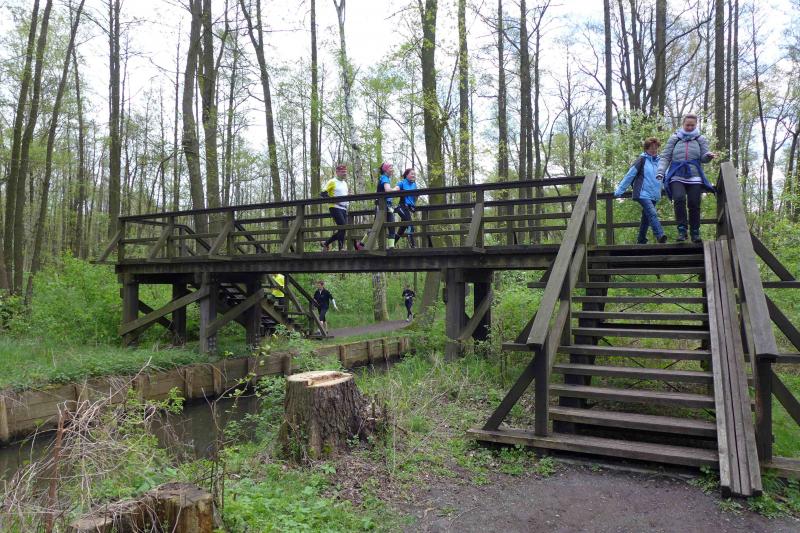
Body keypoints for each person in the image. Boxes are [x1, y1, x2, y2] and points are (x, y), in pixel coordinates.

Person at [656, 113, 717, 243]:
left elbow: (703, 157)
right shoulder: (674, 138)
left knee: (694, 203)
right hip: (676, 174)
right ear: (683, 124)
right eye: (687, 125)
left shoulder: (700, 139)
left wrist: (708, 156)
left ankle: (695, 233)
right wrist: (661, 172)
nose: (689, 127)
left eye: (692, 125)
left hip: (694, 175)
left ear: (696, 125)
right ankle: (682, 231)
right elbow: (665, 156)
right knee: (679, 199)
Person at [614, 137, 667, 244]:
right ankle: (660, 235)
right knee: (652, 213)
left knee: (646, 218)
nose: (654, 150)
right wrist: (620, 190)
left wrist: (670, 189)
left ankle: (641, 239)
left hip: (654, 194)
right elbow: (630, 175)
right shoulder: (641, 160)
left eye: (656, 148)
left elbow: (665, 177)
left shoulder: (660, 162)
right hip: (642, 193)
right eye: (651, 148)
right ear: (646, 149)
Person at [321, 164, 350, 251]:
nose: (345, 173)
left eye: (345, 172)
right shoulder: (332, 181)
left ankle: (326, 243)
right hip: (334, 207)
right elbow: (323, 193)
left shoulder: (345, 183)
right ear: (337, 172)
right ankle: (341, 248)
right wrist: (332, 200)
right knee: (343, 227)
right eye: (342, 172)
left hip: (344, 208)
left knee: (343, 228)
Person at [395, 168, 418, 248]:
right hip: (401, 207)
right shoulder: (402, 183)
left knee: (402, 229)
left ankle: (391, 246)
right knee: (410, 225)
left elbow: (415, 198)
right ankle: (413, 247)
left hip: (408, 208)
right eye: (412, 174)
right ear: (406, 175)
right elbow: (396, 189)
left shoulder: (414, 185)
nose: (413, 175)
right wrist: (392, 190)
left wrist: (415, 200)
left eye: (414, 174)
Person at [376, 162, 397, 248]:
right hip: (382, 206)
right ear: (385, 170)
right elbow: (388, 190)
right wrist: (395, 189)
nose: (392, 170)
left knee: (391, 226)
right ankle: (361, 244)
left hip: (388, 206)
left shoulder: (385, 178)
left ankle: (391, 247)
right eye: (390, 168)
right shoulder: (384, 178)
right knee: (376, 228)